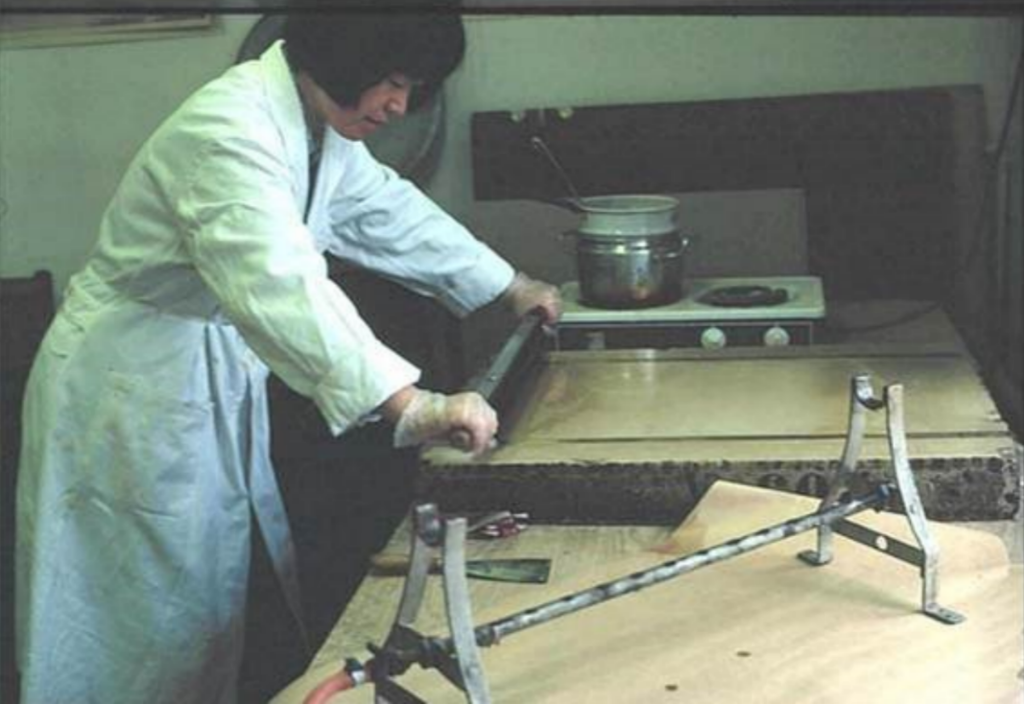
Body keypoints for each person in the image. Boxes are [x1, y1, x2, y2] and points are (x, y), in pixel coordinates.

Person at [14, 11, 560, 704]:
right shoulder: (225, 130)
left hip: (191, 371)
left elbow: (388, 213)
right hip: (126, 389)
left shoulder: (315, 128)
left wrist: (509, 286)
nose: (399, 106)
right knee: (133, 617)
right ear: (345, 55)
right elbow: (278, 279)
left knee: (196, 602)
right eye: (393, 83)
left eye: (413, 89)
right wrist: (408, 404)